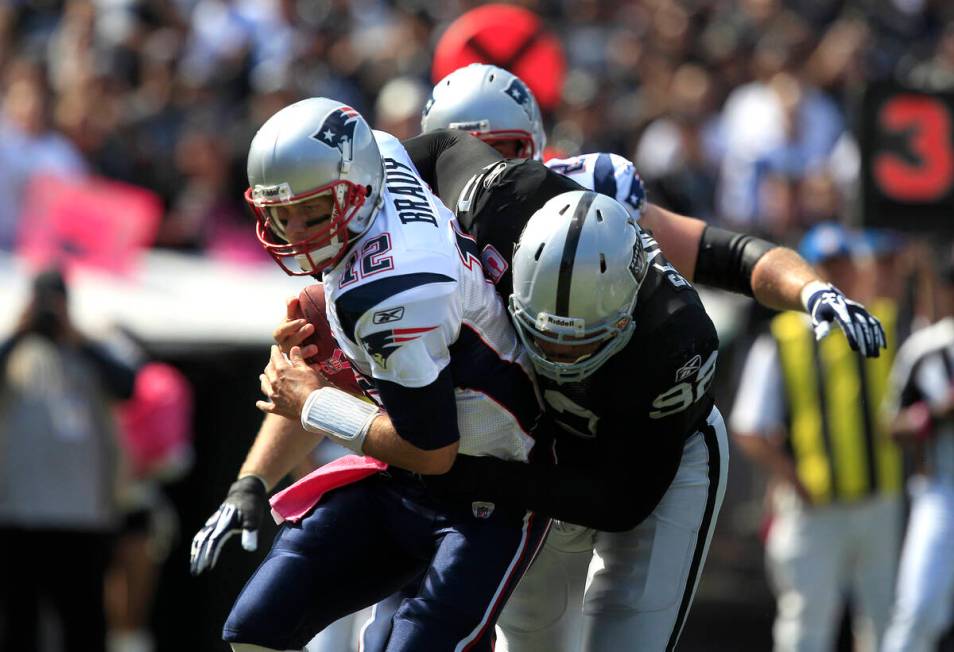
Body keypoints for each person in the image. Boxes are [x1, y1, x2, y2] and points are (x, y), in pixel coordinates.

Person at [189, 97, 549, 652]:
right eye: (283, 214)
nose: (297, 232)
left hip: (489, 489)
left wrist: (313, 400)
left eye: (312, 213)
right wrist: (251, 482)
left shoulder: (390, 293)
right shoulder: (376, 154)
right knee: (255, 628)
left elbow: (434, 451)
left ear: (354, 190)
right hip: (406, 480)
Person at [417, 63, 886, 358]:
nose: (486, 171)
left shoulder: (585, 197)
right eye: (464, 154)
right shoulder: (412, 233)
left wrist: (813, 290)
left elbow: (724, 254)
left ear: (535, 144)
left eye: (502, 151)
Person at [729, 223, 903, 652]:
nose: (835, 278)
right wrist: (792, 477)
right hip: (813, 506)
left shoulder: (882, 323)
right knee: (807, 622)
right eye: (825, 268)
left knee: (885, 620)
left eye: (842, 266)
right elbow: (750, 426)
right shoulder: (782, 338)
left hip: (879, 498)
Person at [0, 267, 138, 652]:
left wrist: (75, 337)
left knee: (84, 621)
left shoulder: (92, 346)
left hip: (83, 516)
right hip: (17, 513)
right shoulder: (14, 348)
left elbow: (129, 384)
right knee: (17, 622)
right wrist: (20, 330)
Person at [881, 248, 954, 652]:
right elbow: (892, 424)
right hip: (941, 489)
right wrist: (934, 414)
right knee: (919, 606)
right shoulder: (927, 348)